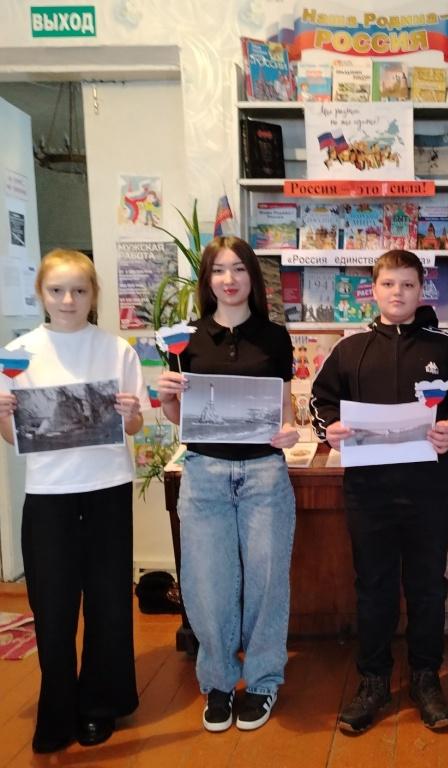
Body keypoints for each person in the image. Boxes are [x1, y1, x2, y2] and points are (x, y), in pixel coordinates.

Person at [310, 249, 448, 734]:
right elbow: (320, 402)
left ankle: (426, 678)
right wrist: (331, 429)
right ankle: (374, 680)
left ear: (422, 290)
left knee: (428, 585)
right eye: (389, 284)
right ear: (374, 289)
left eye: (408, 284)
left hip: (429, 488)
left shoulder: (445, 348)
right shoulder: (351, 349)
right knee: (373, 585)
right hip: (368, 491)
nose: (398, 293)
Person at [0, 249, 148, 754]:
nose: (68, 300)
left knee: (109, 601)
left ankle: (100, 706)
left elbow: (135, 425)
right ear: (41, 294)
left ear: (93, 295)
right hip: (48, 494)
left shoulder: (116, 350)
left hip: (108, 488)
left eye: (79, 291)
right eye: (57, 290)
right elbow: (12, 437)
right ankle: (57, 709)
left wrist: (130, 413)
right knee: (53, 606)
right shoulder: (17, 355)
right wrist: (3, 415)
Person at [156, 235, 299, 733]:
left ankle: (262, 680)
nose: (230, 279)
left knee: (267, 582)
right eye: (219, 269)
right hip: (205, 473)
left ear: (252, 278)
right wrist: (166, 398)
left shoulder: (275, 337)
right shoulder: (185, 340)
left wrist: (290, 430)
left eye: (239, 268)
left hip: (264, 472)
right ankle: (217, 681)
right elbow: (180, 417)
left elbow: (286, 408)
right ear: (208, 279)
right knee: (207, 583)